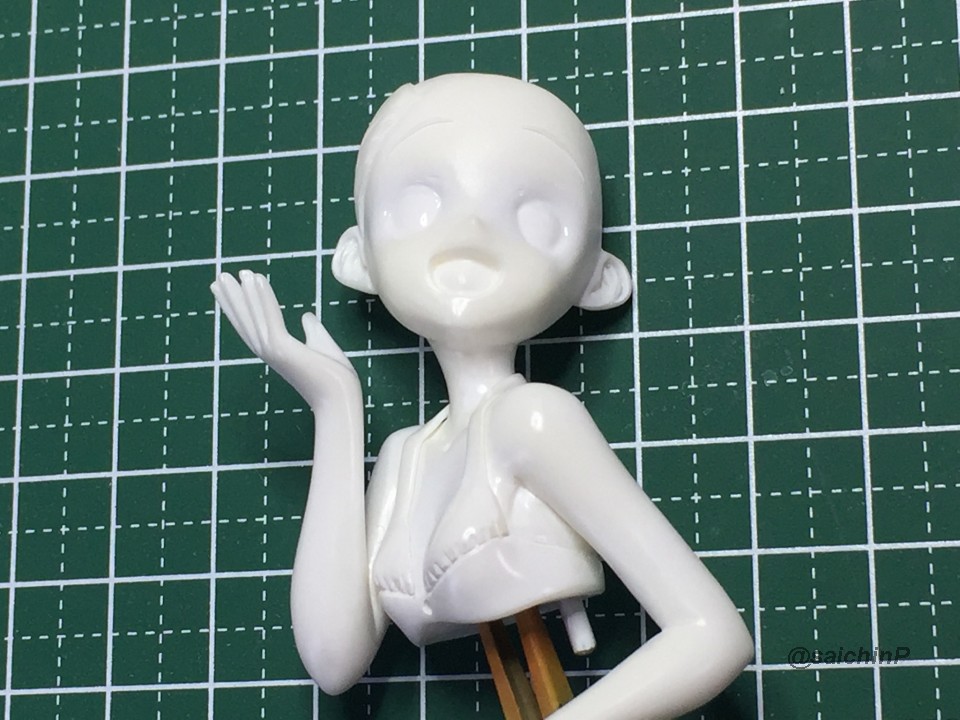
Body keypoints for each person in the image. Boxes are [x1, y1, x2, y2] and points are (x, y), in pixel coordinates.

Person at [212, 73, 753, 719]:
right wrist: (335, 406)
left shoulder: (535, 419)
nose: (469, 229)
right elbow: (333, 662)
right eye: (420, 202)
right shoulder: (406, 456)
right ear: (359, 257)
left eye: (534, 214)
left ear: (597, 276)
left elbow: (712, 636)